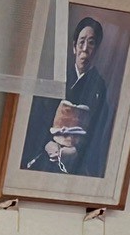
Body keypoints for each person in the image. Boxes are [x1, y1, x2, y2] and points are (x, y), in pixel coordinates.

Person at [22, 16, 111, 176]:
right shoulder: (58, 76)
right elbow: (39, 116)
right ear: (74, 47)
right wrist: (47, 144)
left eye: (91, 43)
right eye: (81, 42)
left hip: (76, 159)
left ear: (96, 49)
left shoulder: (99, 86)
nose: (85, 49)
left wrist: (76, 150)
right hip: (48, 149)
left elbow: (97, 130)